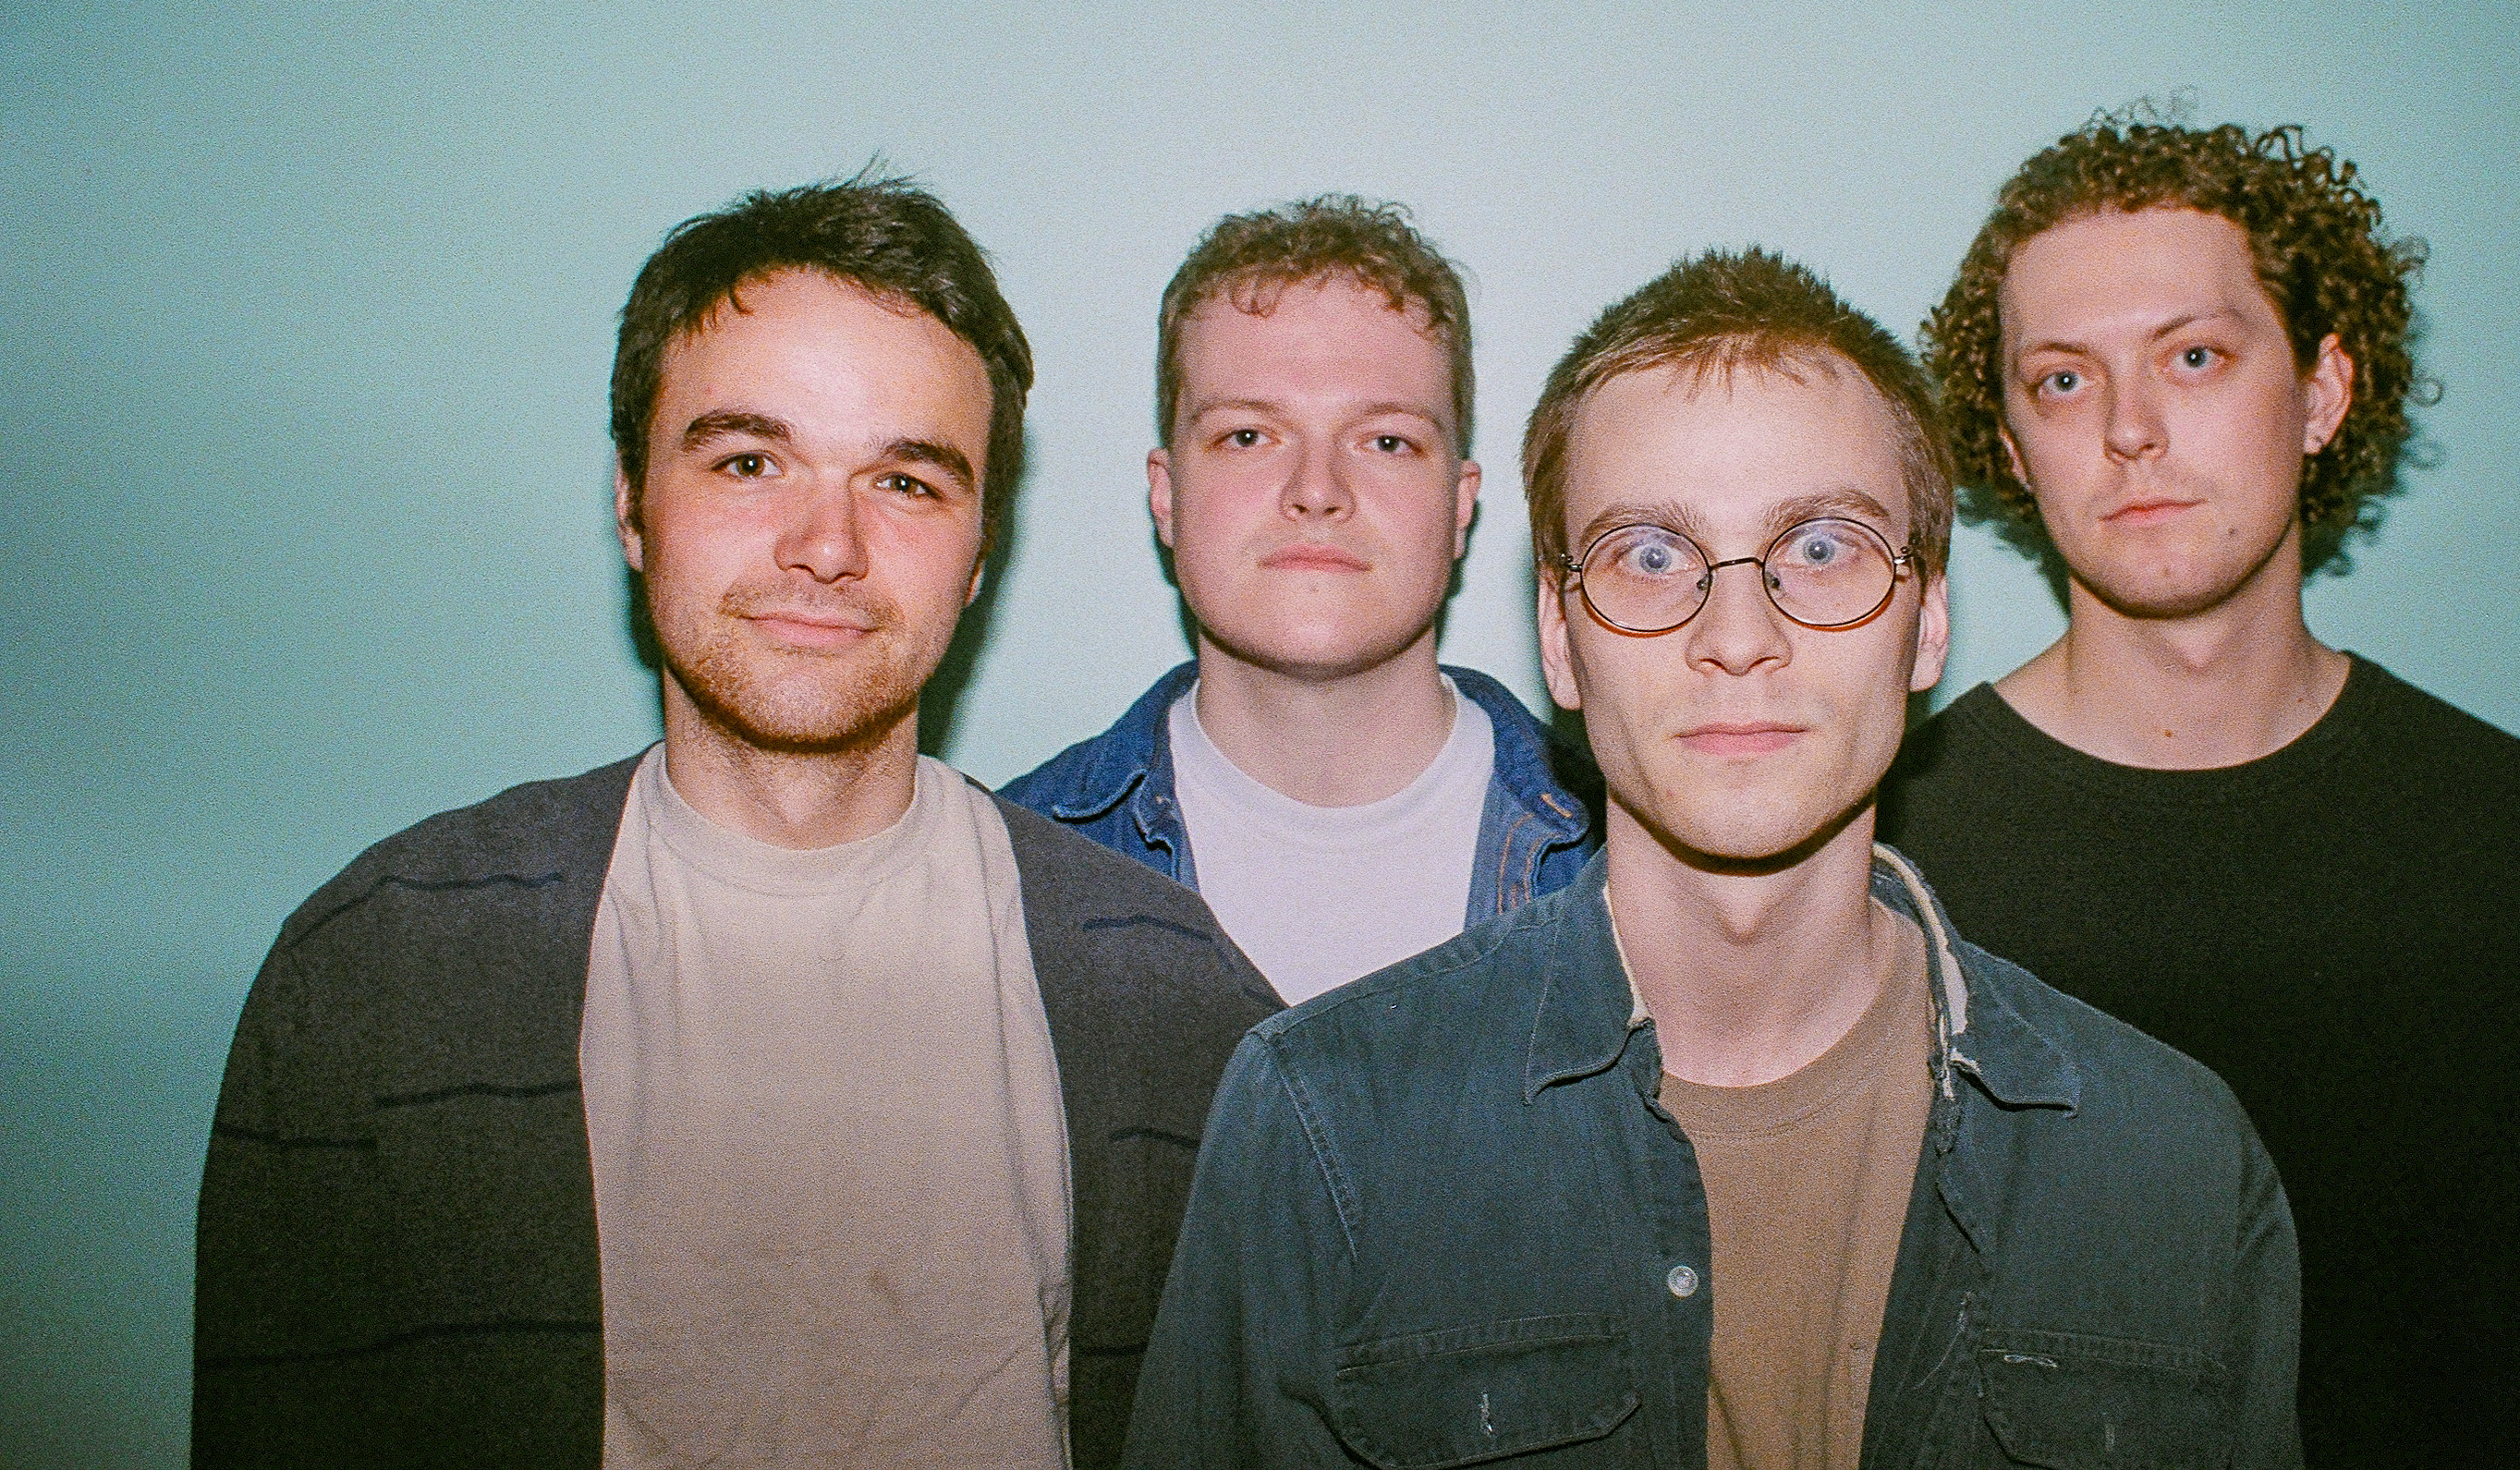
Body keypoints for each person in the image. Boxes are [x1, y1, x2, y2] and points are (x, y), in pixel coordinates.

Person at [1126, 249, 2300, 1469]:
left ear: (1929, 622)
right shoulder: (1325, 1124)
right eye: (1649, 557)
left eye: (1823, 549)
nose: (1737, 637)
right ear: (1559, 638)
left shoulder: (2172, 1160)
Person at [194, 175, 1274, 1470]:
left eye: (905, 481)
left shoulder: (1173, 999)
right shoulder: (380, 970)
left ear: (979, 550)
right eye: (750, 462)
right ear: (631, 503)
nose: (826, 545)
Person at [1882, 111, 2520, 1465]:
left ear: (2319, 392)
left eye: (2193, 356)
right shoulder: (1901, 861)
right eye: (2062, 380)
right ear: (2010, 446)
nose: (2130, 429)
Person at [1004, 196, 1594, 1003]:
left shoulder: (1627, 863)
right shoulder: (1009, 874)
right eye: (1248, 436)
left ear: (1459, 506)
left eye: (1386, 441)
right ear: (1166, 496)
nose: (1317, 490)